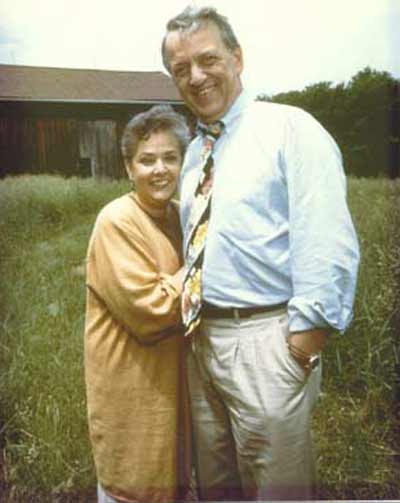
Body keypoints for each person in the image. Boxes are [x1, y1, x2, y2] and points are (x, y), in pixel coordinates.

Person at [162, 6, 360, 502]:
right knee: (217, 489)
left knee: (277, 491)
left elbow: (327, 238)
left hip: (267, 341)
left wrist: (304, 342)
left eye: (207, 60)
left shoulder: (289, 129)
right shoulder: (194, 154)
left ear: (237, 58)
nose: (196, 76)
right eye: (181, 69)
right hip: (201, 342)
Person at [84, 105, 192, 503]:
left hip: (171, 384)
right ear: (129, 167)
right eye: (147, 160)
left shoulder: (181, 216)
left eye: (170, 157)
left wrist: (175, 279)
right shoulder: (116, 220)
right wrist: (196, 267)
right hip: (132, 386)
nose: (160, 169)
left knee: (172, 483)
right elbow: (150, 310)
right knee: (134, 485)